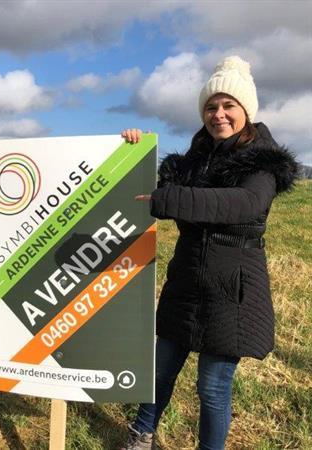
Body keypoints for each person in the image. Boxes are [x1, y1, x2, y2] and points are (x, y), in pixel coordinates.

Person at [119, 55, 299, 450]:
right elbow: (153, 191)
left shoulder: (263, 163)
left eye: (228, 105)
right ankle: (141, 435)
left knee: (212, 388)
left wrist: (172, 198)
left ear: (246, 111)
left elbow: (243, 203)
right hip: (186, 279)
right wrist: (132, 149)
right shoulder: (196, 158)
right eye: (211, 107)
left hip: (231, 287)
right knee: (160, 369)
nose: (219, 114)